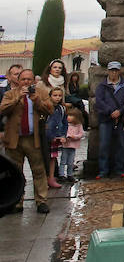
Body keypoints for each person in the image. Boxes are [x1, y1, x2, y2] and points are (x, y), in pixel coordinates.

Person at [2, 69, 54, 212]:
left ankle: (41, 200)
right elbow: (2, 109)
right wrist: (17, 98)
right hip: (14, 140)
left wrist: (36, 100)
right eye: (23, 79)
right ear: (18, 81)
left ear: (34, 81)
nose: (26, 82)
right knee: (15, 172)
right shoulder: (10, 94)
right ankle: (17, 201)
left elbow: (50, 109)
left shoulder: (40, 93)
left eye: (29, 79)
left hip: (33, 139)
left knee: (38, 170)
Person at [92, 61, 124, 179]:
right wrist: (110, 111)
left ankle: (120, 169)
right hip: (106, 118)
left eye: (116, 70)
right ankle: (103, 170)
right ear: (108, 71)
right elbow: (99, 102)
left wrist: (120, 111)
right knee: (104, 145)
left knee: (121, 145)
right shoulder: (102, 86)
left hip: (121, 118)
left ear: (119, 71)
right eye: (112, 70)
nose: (114, 73)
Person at [45, 87, 67, 190]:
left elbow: (64, 123)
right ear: (50, 96)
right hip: (47, 138)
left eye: (59, 96)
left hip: (57, 136)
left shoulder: (61, 109)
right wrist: (50, 136)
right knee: (45, 158)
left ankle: (51, 177)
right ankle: (45, 179)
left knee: (53, 158)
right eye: (55, 95)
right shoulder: (46, 108)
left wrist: (63, 135)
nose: (57, 98)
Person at [59, 108, 85, 183]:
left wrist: (75, 137)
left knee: (71, 161)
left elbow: (81, 134)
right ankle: (61, 175)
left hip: (73, 146)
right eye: (68, 115)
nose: (68, 117)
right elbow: (62, 132)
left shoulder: (78, 125)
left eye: (71, 116)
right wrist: (66, 136)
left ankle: (70, 175)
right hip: (65, 145)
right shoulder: (65, 124)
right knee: (63, 161)